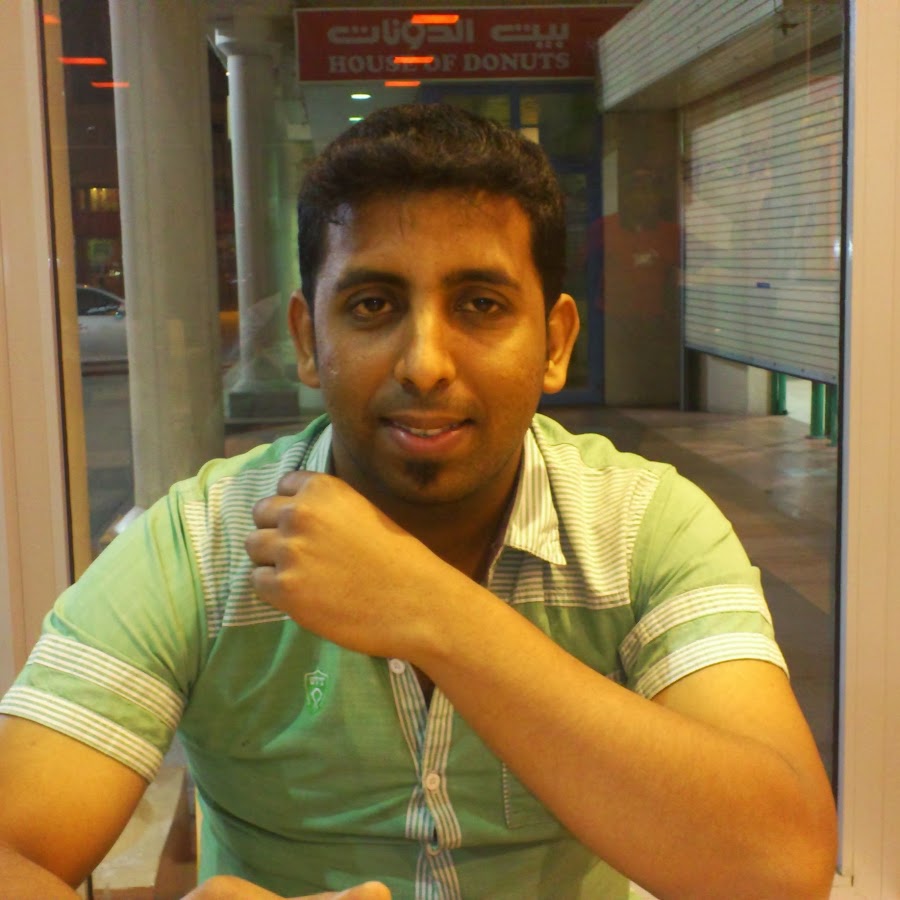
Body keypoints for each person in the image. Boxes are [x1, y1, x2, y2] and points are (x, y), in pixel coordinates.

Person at [0, 103, 836, 899]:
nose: (425, 364)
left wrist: (429, 608)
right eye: (373, 306)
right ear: (308, 340)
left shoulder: (642, 525)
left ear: (555, 343)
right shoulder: (201, 544)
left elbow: (780, 869)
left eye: (481, 305)